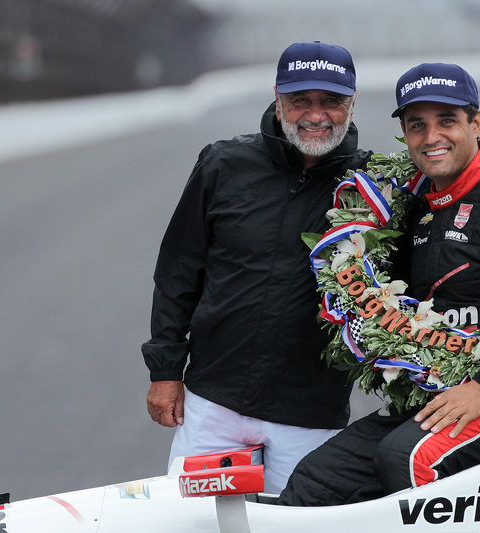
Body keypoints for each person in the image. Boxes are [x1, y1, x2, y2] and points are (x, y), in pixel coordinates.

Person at [277, 63, 480, 506]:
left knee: (408, 462)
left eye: (447, 121)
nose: (431, 136)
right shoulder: (416, 203)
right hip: (444, 387)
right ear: (404, 134)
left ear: (476, 123)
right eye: (417, 125)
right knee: (317, 482)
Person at [141, 41, 373, 494]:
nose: (316, 115)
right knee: (195, 525)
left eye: (332, 101)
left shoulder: (373, 185)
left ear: (352, 101)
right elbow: (178, 270)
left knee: (295, 526)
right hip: (212, 404)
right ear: (277, 96)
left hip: (310, 412)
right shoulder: (224, 164)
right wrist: (165, 370)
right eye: (300, 100)